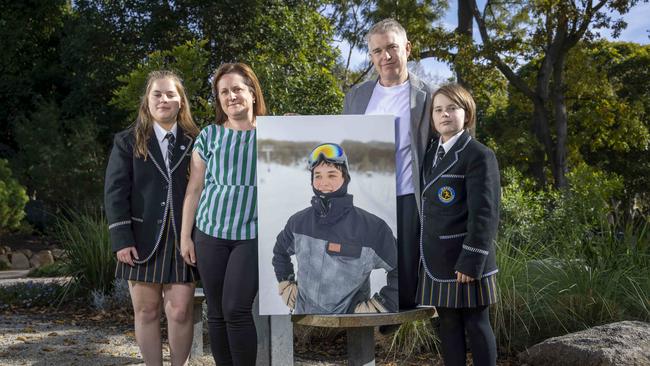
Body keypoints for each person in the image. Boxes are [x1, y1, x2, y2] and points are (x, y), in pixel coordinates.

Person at [105, 70, 200, 366]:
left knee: (181, 310)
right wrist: (121, 239)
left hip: (183, 238)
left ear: (181, 102)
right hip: (142, 240)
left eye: (171, 94)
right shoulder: (127, 141)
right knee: (146, 312)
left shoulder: (197, 140)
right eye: (157, 94)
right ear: (147, 102)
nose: (164, 99)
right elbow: (115, 192)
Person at [343, 18, 433, 312]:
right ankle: (368, 329)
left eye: (392, 48)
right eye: (377, 51)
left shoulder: (428, 96)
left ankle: (395, 328)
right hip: (366, 198)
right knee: (362, 269)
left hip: (407, 197)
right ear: (371, 56)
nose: (386, 57)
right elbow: (340, 139)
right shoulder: (357, 96)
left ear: (407, 48)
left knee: (404, 278)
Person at [180, 63, 265, 366]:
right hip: (210, 232)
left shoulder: (272, 134)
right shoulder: (209, 135)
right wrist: (185, 238)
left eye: (237, 89)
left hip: (251, 235)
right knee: (215, 312)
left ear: (252, 92)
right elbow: (194, 189)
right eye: (224, 92)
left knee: (236, 309)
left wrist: (296, 129)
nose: (231, 96)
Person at [418, 83, 500, 366]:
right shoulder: (429, 154)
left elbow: (485, 212)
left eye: (452, 108)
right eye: (438, 109)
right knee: (448, 326)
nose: (444, 115)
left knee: (477, 324)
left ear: (467, 114)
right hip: (437, 258)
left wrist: (472, 258)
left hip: (466, 258)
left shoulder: (478, 154)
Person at [272, 143, 398, 314]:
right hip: (304, 324)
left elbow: (402, 269)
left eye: (332, 175)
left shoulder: (372, 228)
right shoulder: (298, 222)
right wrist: (285, 283)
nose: (324, 183)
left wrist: (381, 306)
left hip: (352, 329)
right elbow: (280, 251)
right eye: (318, 176)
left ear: (345, 178)